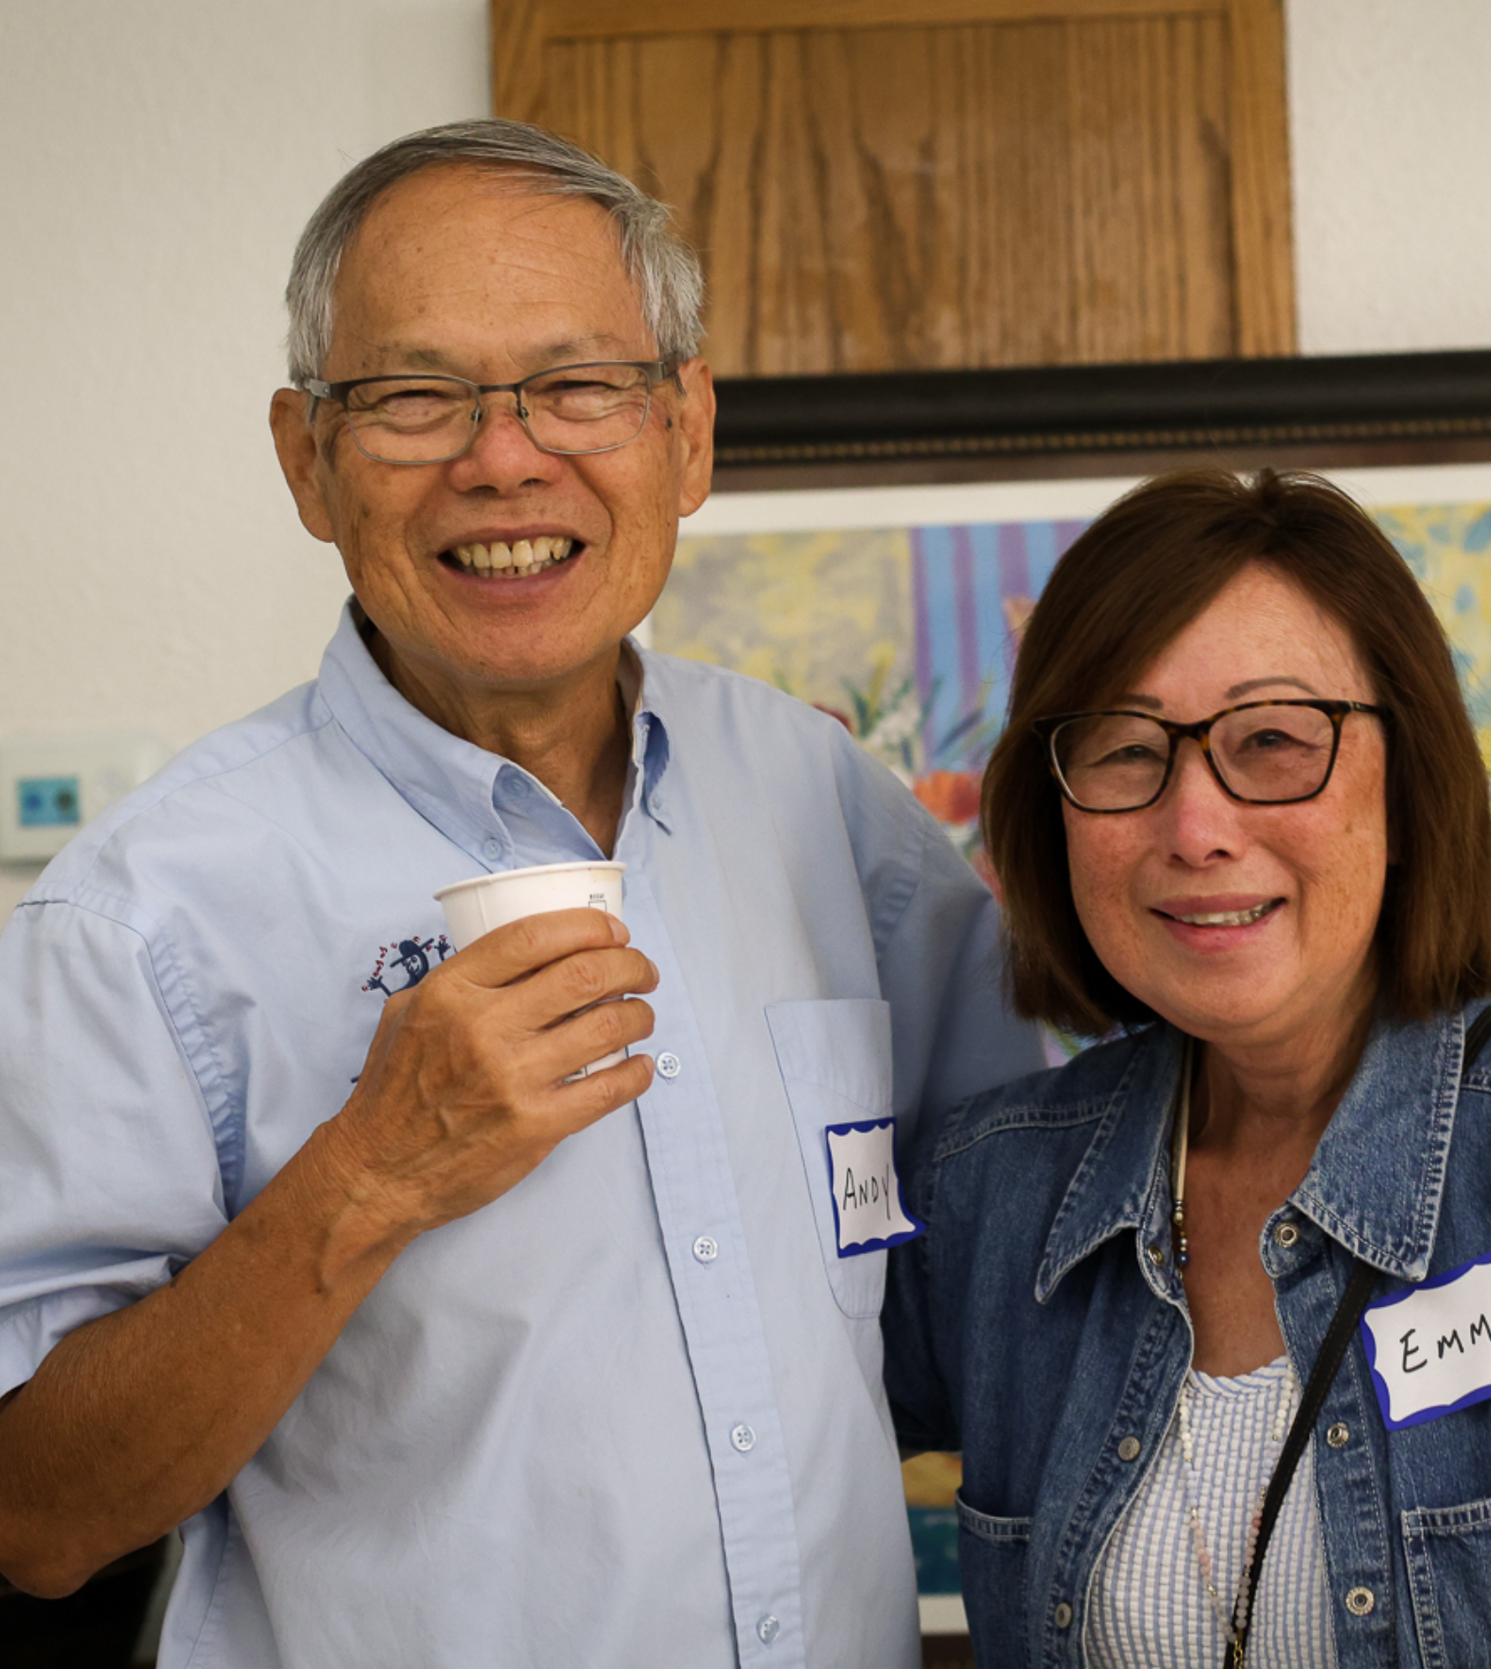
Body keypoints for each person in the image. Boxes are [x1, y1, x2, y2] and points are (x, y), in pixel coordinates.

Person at [0, 120, 1041, 1668]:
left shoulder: (823, 803)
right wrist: (365, 1177)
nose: (503, 456)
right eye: (415, 397)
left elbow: (1003, 1278)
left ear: (686, 433)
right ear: (307, 459)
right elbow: (36, 1518)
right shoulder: (138, 918)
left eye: (577, 386)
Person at [883, 469, 1491, 1667]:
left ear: (1406, 783)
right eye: (1124, 749)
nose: (1194, 825)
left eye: (1271, 741)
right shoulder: (985, 1197)